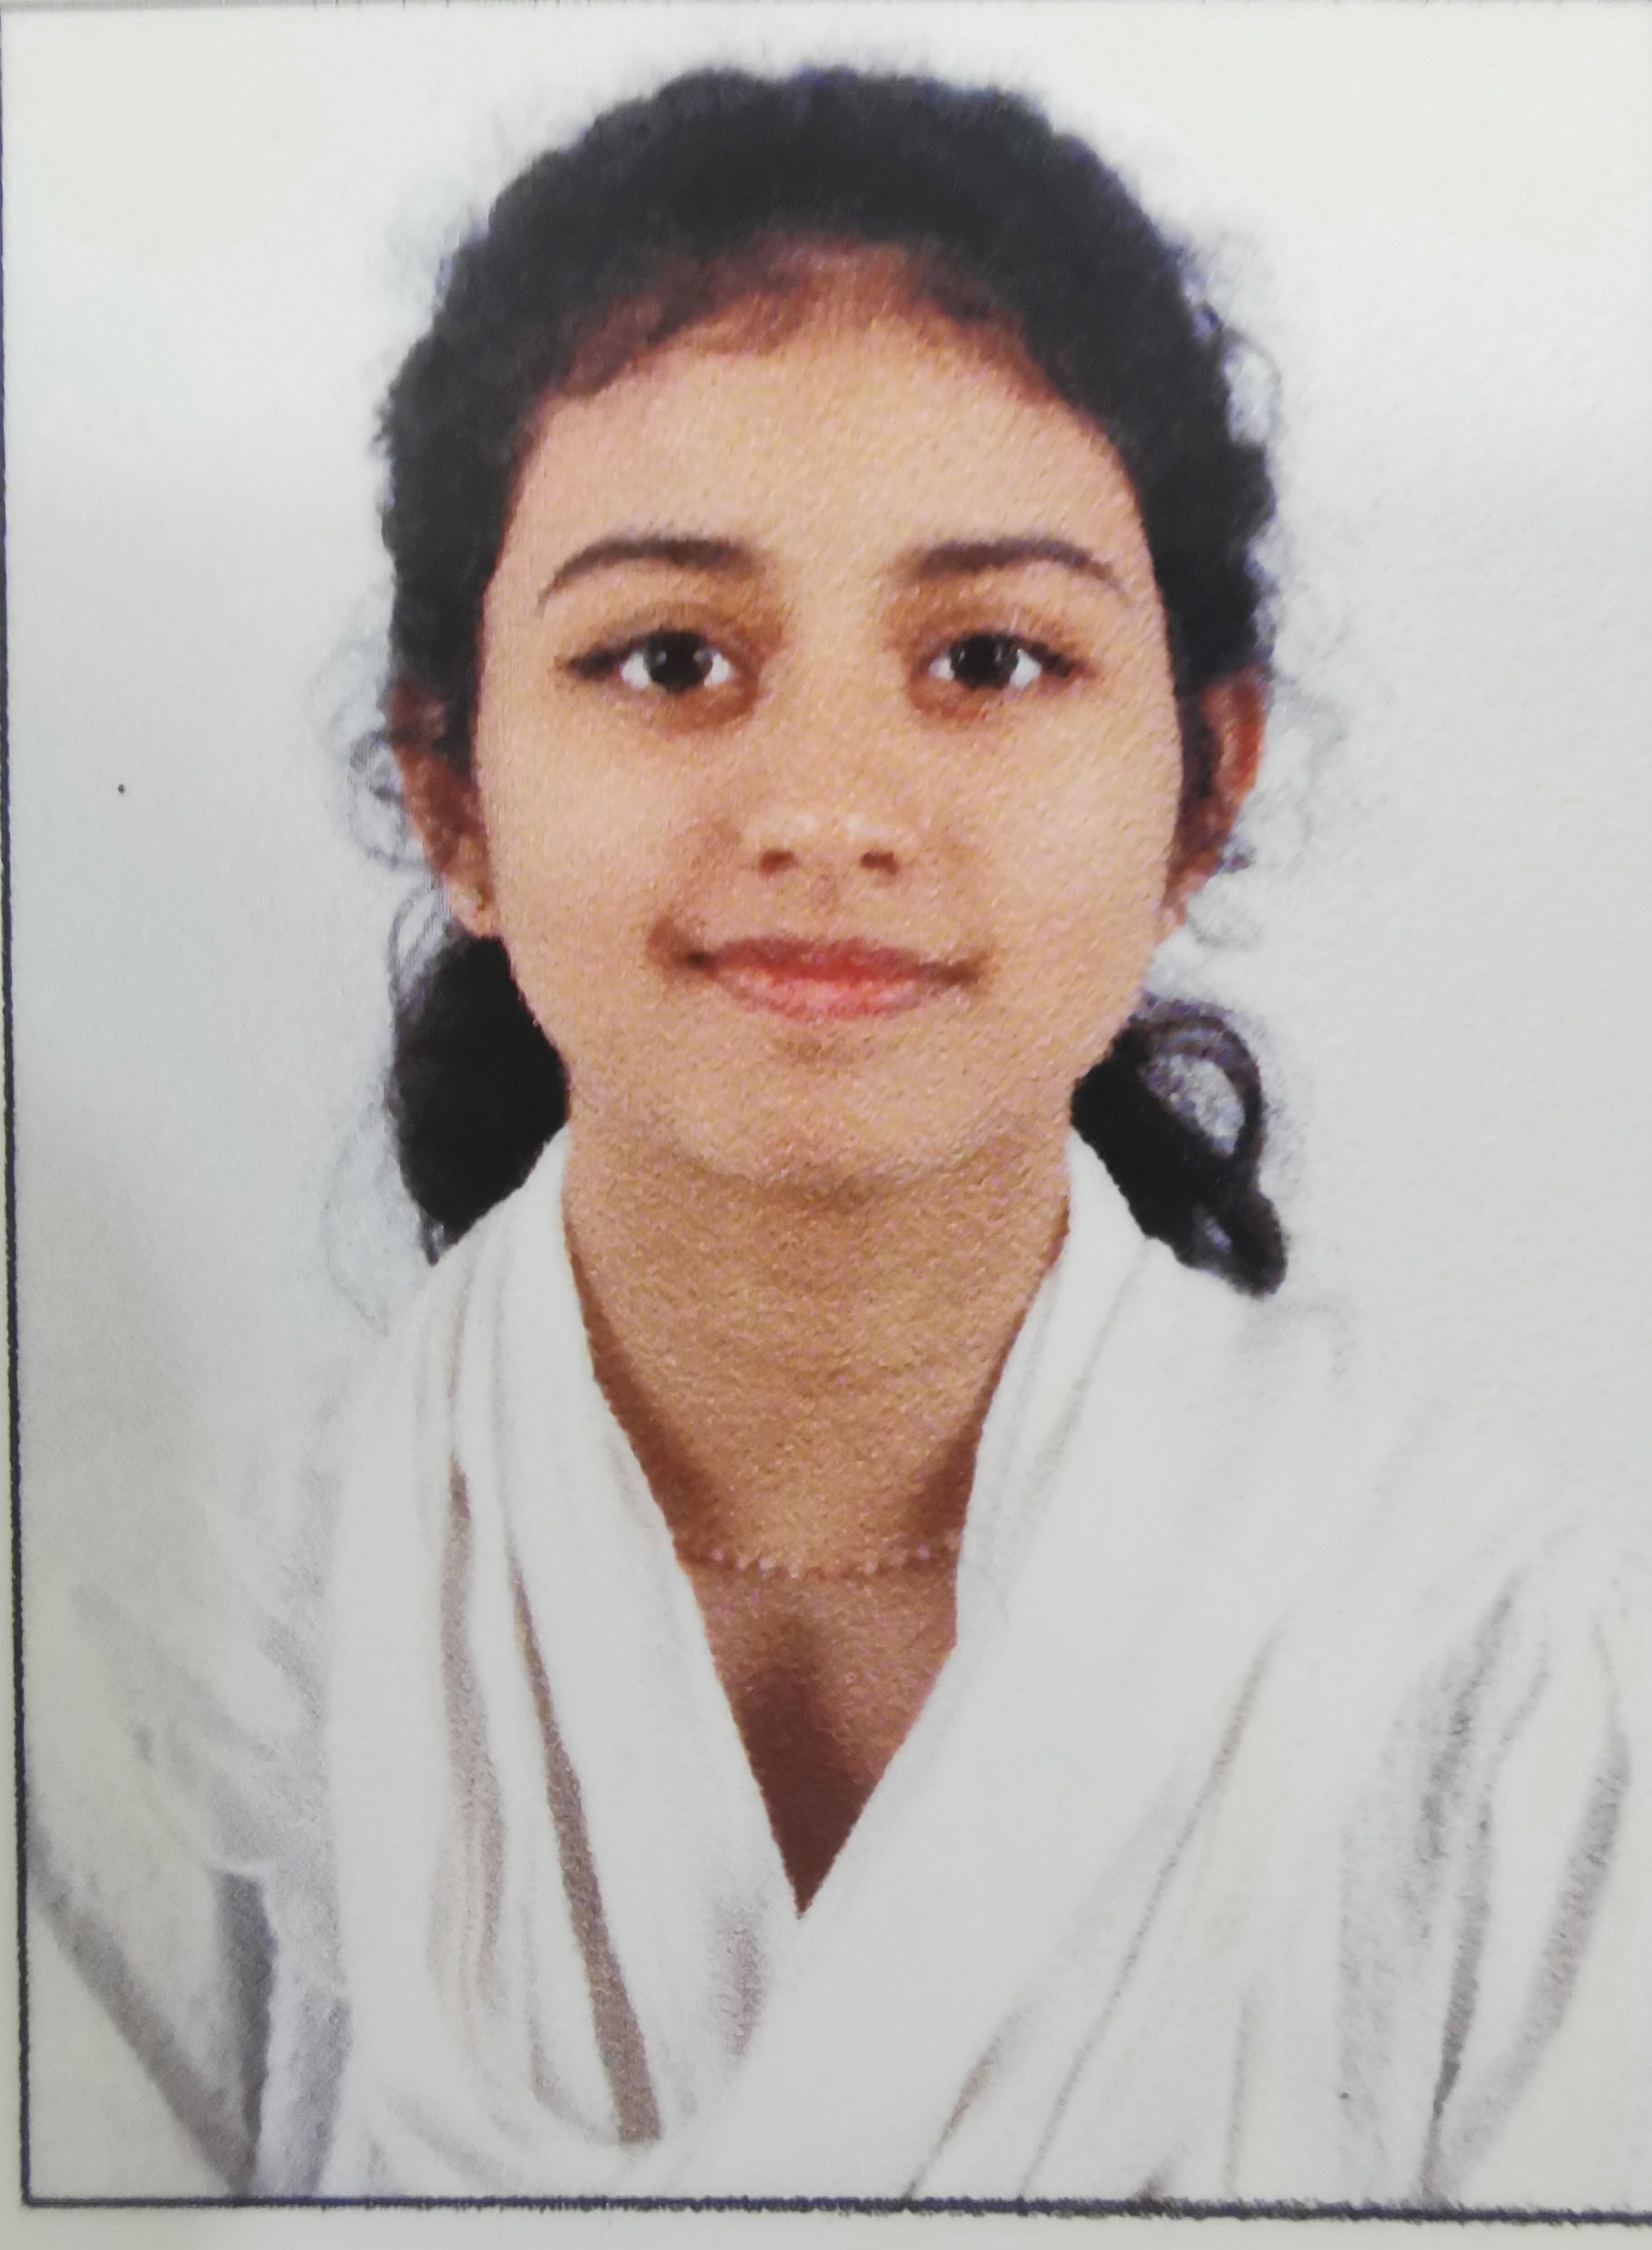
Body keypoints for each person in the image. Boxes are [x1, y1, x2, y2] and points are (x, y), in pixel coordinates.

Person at [56, 65, 1652, 2204]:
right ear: (453, 790)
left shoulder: (1503, 1684)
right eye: (668, 657)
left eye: (988, 655)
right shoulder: (139, 1695)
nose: (825, 806)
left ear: (1201, 785)